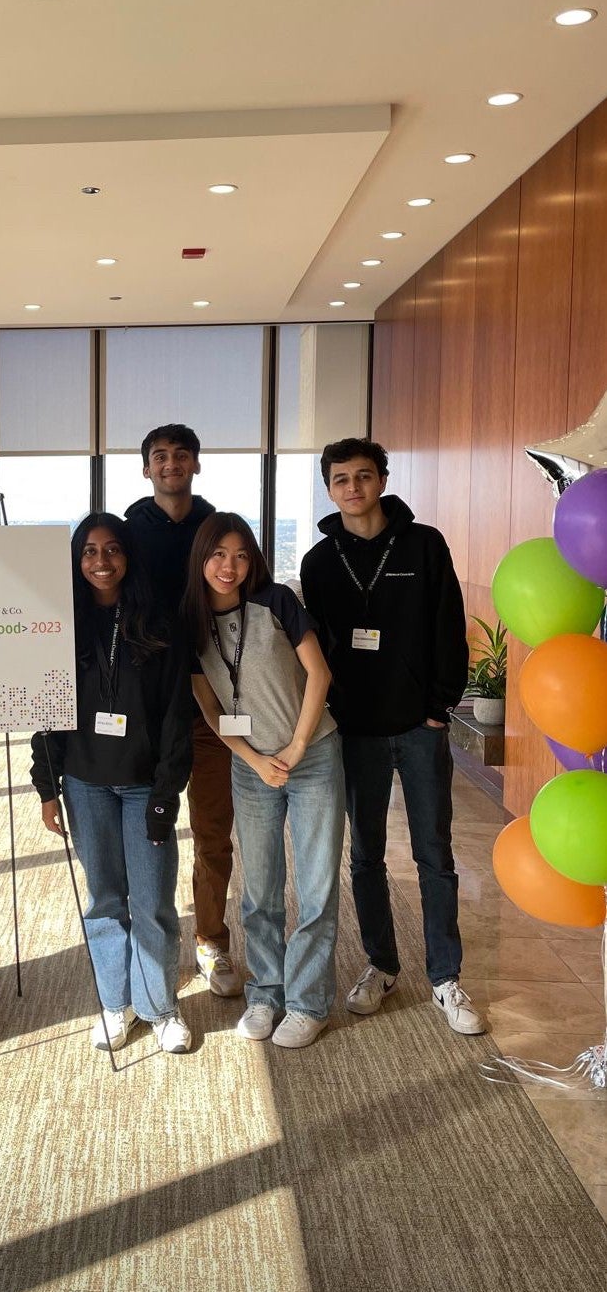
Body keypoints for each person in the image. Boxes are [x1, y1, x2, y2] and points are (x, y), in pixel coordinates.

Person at [299, 438, 485, 1034]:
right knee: (365, 855)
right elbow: (317, 649)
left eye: (362, 476)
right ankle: (381, 964)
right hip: (355, 731)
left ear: (382, 479)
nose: (352, 488)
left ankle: (446, 977)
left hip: (417, 726)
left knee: (434, 851)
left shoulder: (424, 545)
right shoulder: (318, 562)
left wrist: (440, 707)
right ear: (329, 489)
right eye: (340, 479)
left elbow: (448, 626)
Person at [31, 513, 194, 1054]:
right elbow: (44, 710)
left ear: (129, 556)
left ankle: (160, 1007)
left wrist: (168, 792)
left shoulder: (158, 620)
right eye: (89, 552)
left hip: (145, 782)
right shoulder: (58, 622)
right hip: (84, 782)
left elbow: (175, 714)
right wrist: (46, 786)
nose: (102, 562)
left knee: (151, 901)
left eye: (113, 550)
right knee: (104, 899)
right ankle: (114, 1003)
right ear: (75, 561)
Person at [186, 512, 343, 1048]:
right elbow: (208, 706)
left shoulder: (277, 602)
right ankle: (266, 993)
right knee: (260, 889)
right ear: (201, 560)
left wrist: (296, 748)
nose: (228, 566)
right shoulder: (193, 621)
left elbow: (319, 674)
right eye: (217, 555)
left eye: (240, 555)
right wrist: (253, 759)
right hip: (250, 765)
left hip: (313, 754)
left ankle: (308, 1002)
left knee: (318, 885)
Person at [124, 424, 240, 1000]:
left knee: (214, 830)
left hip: (211, 699)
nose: (171, 464)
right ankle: (150, 944)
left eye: (181, 455)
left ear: (196, 464)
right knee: (150, 828)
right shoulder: (127, 530)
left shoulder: (216, 528)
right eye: (159, 457)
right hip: (148, 705)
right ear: (146, 468)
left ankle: (211, 940)